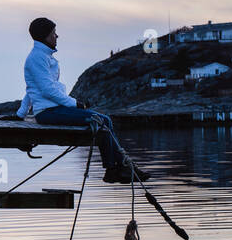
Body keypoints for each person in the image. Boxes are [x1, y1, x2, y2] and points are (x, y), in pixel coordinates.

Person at [17, 17, 148, 184]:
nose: (57, 36)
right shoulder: (37, 58)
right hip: (49, 112)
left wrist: (20, 113)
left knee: (104, 120)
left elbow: (31, 89)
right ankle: (113, 169)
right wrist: (75, 103)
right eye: (53, 33)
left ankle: (119, 168)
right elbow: (46, 90)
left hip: (55, 109)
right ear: (45, 36)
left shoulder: (44, 57)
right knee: (101, 120)